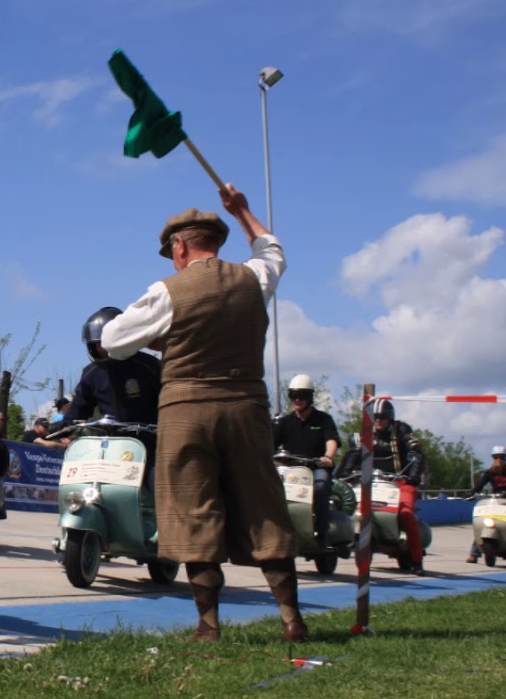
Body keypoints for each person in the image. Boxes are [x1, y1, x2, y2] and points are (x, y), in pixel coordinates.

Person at [99, 182, 307, 643]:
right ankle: (292, 619)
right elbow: (274, 251)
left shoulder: (168, 290)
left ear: (179, 246)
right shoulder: (252, 278)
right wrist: (243, 211)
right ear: (215, 241)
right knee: (264, 506)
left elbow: (112, 341)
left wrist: (162, 338)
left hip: (186, 409)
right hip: (247, 407)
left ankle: (208, 626)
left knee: (193, 508)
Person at [336, 399, 427, 575]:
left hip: (401, 482)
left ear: (390, 417)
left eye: (382, 417)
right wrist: (342, 476)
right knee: (352, 508)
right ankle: (347, 541)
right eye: (375, 417)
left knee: (406, 514)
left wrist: (413, 475)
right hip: (372, 482)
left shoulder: (402, 430)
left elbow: (415, 452)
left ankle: (417, 560)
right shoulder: (366, 435)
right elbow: (353, 455)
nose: (378, 420)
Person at [272, 374, 340, 548]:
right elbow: (270, 445)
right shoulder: (284, 422)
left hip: (316, 467)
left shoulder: (323, 419)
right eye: (294, 395)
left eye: (302, 395)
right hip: (291, 470)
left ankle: (321, 531)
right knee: (270, 487)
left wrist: (328, 457)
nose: (297, 400)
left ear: (310, 397)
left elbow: (331, 440)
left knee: (321, 486)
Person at [65, 306, 162, 425]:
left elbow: (169, 403)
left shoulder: (149, 366)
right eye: (96, 344)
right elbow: (78, 409)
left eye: (105, 342)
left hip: (149, 438)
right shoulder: (90, 373)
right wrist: (64, 425)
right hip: (109, 440)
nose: (101, 348)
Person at [465, 445, 506, 563]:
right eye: (496, 457)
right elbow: (480, 485)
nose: (499, 460)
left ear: (505, 458)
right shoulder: (489, 472)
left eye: (501, 457)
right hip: (496, 501)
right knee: (483, 523)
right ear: (492, 458)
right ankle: (474, 552)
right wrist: (471, 493)